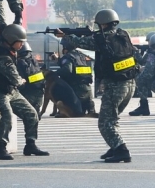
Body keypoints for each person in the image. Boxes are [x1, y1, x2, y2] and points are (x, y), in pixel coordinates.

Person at [56, 9, 138, 163]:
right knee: (112, 120)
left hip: (115, 87)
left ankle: (122, 150)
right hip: (130, 84)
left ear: (104, 23)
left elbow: (81, 42)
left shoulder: (101, 39)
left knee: (104, 122)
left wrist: (65, 36)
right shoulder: (122, 35)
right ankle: (114, 146)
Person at [0, 24, 50, 159]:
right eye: (20, 42)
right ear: (11, 40)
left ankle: (30, 144)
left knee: (32, 114)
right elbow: (16, 80)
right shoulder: (2, 57)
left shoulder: (10, 52)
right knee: (7, 115)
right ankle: (1, 148)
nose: (22, 45)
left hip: (10, 91)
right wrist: (22, 81)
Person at [57, 36, 96, 115]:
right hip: (87, 90)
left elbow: (67, 70)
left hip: (75, 91)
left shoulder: (68, 57)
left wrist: (55, 73)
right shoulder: (81, 56)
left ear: (65, 47)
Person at [15, 41, 46, 116]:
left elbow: (20, 81)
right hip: (40, 94)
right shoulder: (33, 60)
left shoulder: (20, 62)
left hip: (28, 94)